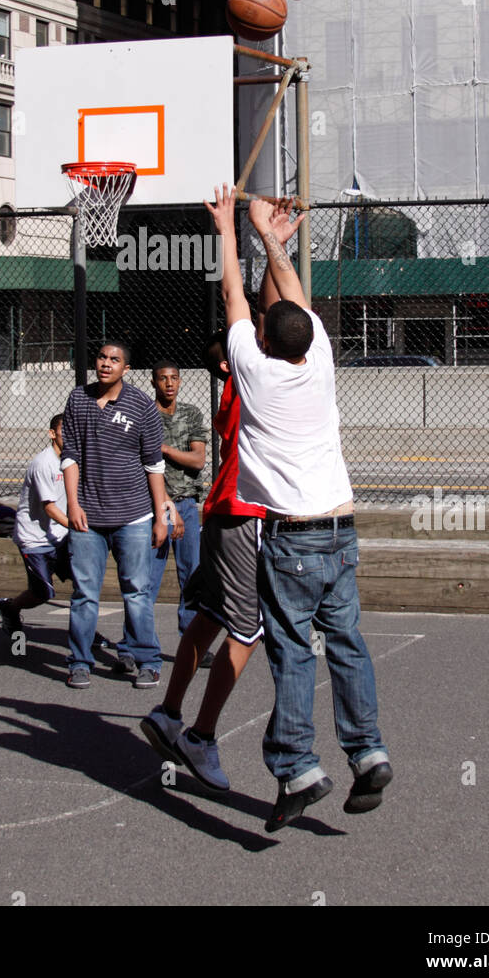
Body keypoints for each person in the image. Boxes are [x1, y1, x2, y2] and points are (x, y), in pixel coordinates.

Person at [206, 186, 392, 832]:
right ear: (307, 336)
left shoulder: (251, 372)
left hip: (289, 539)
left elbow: (233, 294)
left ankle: (297, 766)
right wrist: (269, 241)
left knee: (291, 650)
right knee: (346, 642)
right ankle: (367, 752)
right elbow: (288, 298)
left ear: (262, 336)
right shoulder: (320, 361)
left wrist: (231, 230)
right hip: (341, 531)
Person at [139, 212, 300, 791]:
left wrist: (270, 249)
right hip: (242, 517)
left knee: (206, 618)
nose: (261, 338)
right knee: (247, 630)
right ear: (233, 363)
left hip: (216, 516)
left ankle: (168, 710)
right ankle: (201, 736)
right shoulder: (251, 379)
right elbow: (262, 320)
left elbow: (266, 319)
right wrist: (251, 241)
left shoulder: (241, 378)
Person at [62, 340, 177, 690]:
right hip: (88, 518)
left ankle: (148, 661)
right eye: (101, 357)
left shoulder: (142, 405)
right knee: (84, 594)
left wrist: (160, 516)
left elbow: (154, 465)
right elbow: (70, 456)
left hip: (134, 517)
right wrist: (72, 504)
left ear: (126, 369)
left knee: (138, 592)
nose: (106, 363)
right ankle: (79, 662)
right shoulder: (77, 399)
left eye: (115, 360)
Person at [114, 361, 207, 675]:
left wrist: (164, 449)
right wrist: (163, 508)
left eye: (174, 378)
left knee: (192, 577)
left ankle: (192, 644)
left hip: (187, 506)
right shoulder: (143, 415)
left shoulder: (190, 414)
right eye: (163, 379)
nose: (169, 384)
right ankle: (130, 647)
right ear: (153, 382)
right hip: (152, 509)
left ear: (180, 382)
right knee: (145, 582)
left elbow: (197, 460)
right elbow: (139, 462)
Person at [0, 414, 70, 637]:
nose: (71, 435)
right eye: (65, 430)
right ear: (52, 434)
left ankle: (84, 631)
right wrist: (78, 526)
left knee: (86, 584)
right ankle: (9, 608)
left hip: (62, 536)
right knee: (42, 593)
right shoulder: (43, 463)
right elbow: (50, 508)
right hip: (35, 540)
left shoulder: (73, 460)